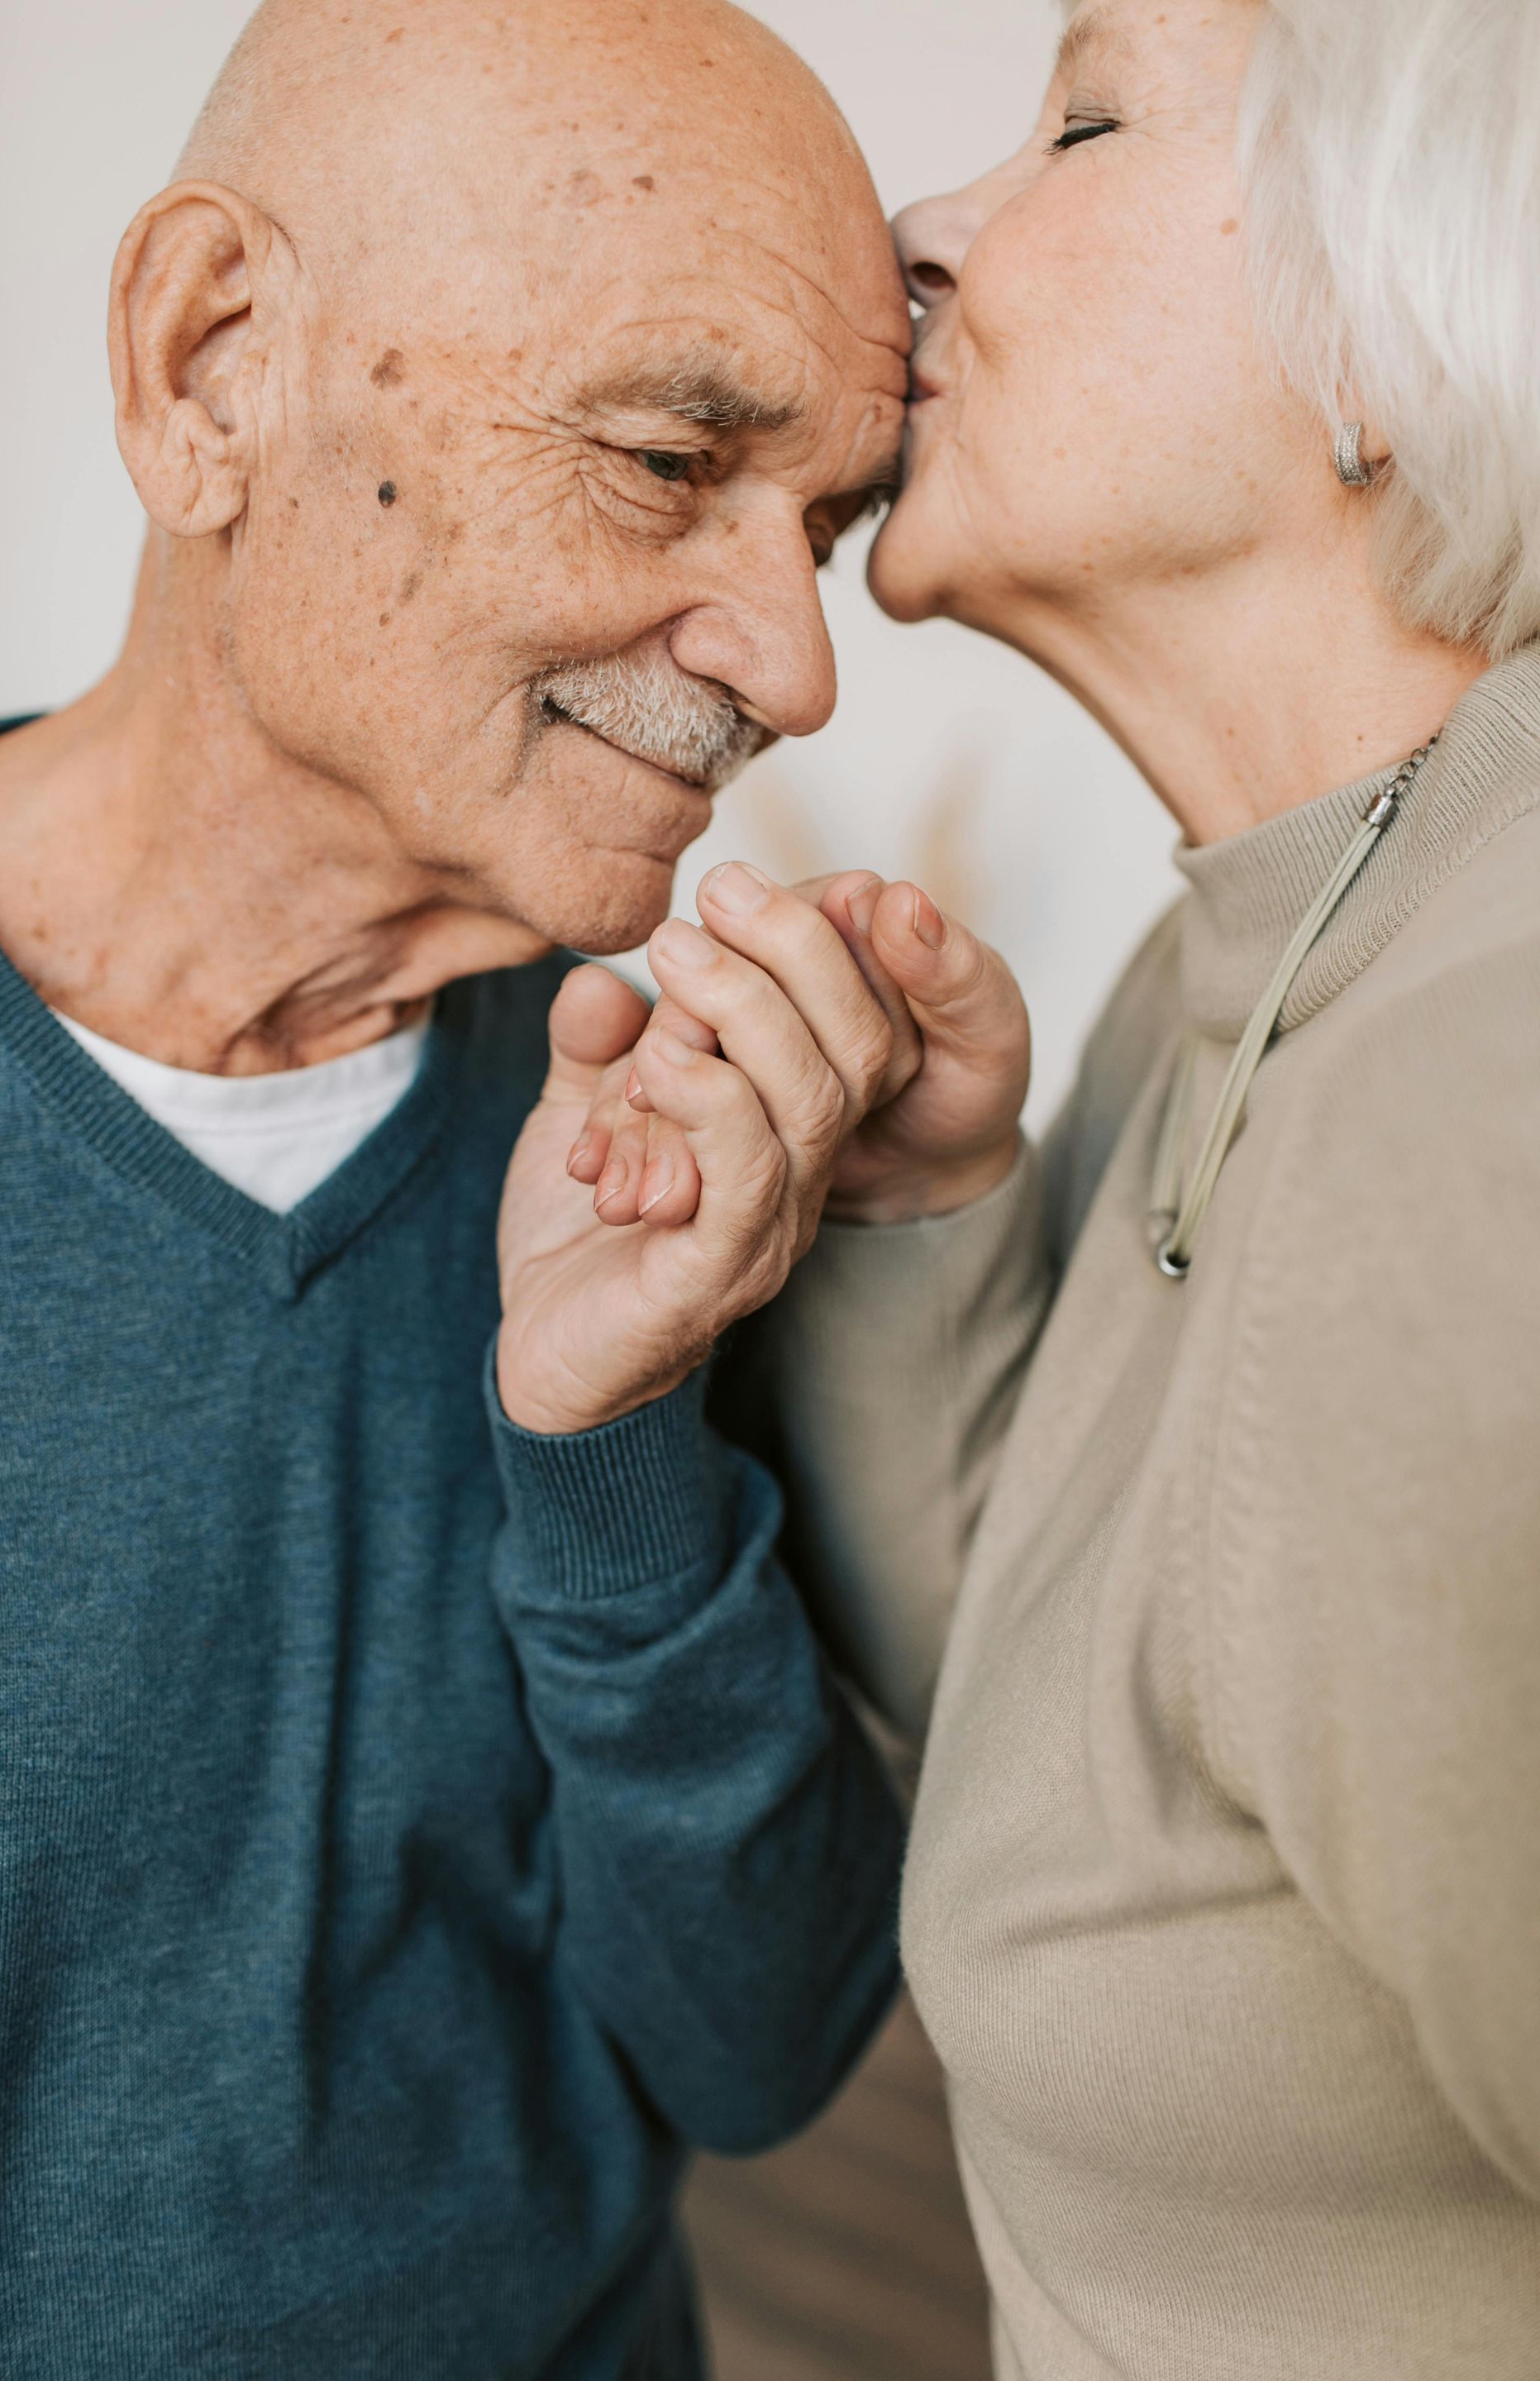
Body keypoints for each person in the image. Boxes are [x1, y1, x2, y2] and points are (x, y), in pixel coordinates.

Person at [0, 2, 951, 2372]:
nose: (800, 666)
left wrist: (606, 1447)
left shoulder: (673, 1150)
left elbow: (758, 2047)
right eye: (663, 457)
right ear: (213, 366)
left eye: (822, 523)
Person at [590, 0, 1540, 2373]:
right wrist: (931, 1218)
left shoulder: (1482, 1110)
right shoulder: (1249, 953)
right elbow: (1133, 1795)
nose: (926, 227)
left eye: (1087, 122)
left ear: (1407, 313)